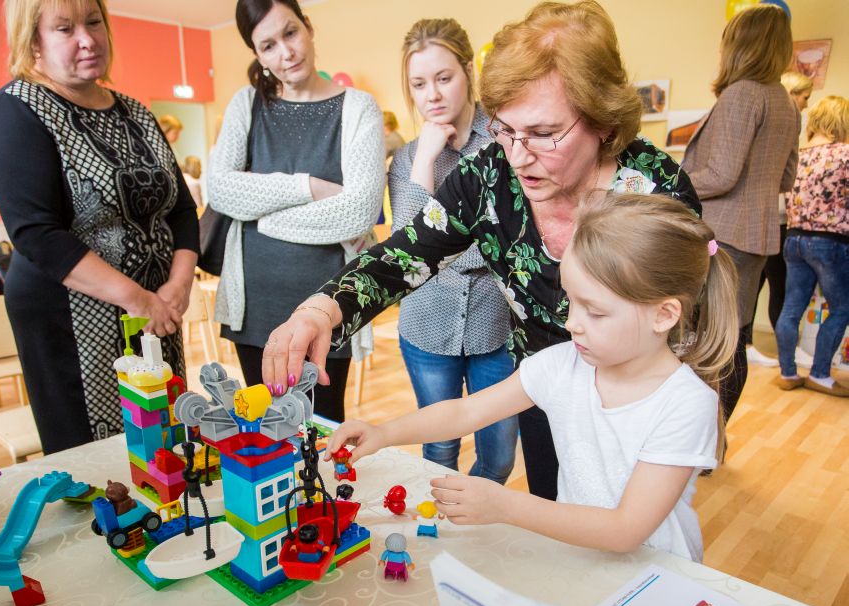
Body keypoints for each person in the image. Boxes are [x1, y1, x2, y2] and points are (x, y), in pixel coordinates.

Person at [263, 0, 700, 500]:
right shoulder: (489, 175)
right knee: (552, 505)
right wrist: (321, 310)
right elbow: (404, 254)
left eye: (543, 134)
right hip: (543, 385)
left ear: (603, 121)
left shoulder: (656, 190)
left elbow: (693, 320)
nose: (518, 156)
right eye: (506, 129)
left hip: (638, 403)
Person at [327, 194, 738, 562]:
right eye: (570, 302)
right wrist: (384, 433)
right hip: (578, 560)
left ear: (664, 315)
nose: (572, 323)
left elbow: (625, 530)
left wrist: (506, 506)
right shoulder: (562, 365)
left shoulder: (686, 404)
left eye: (595, 312)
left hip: (659, 578)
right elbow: (466, 412)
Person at [0, 0, 199, 454]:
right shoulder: (15, 111)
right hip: (71, 321)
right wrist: (139, 299)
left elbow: (179, 209)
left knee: (162, 444)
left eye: (94, 22)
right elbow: (36, 233)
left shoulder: (136, 112)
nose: (87, 39)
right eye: (65, 29)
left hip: (155, 314)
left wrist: (178, 285)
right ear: (33, 40)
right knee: (97, 460)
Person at [208, 0, 383, 422]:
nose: (285, 53)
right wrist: (309, 187)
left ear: (308, 26)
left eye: (290, 33)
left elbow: (359, 211)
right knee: (262, 427)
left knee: (321, 429)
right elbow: (221, 190)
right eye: (268, 45)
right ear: (256, 54)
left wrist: (261, 217)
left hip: (328, 304)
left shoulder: (358, 108)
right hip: (254, 305)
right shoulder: (246, 104)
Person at [388, 18, 517, 483]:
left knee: (499, 457)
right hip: (427, 325)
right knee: (439, 449)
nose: (432, 95)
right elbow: (407, 254)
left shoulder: (506, 140)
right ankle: (441, 524)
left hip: (496, 324)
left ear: (468, 71)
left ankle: (477, 517)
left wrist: (454, 254)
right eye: (419, 84)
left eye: (444, 78)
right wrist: (426, 157)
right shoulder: (407, 159)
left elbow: (511, 236)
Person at [681, 4, 798, 423]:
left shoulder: (742, 94)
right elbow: (787, 176)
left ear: (740, 45)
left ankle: (700, 435)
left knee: (707, 342)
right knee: (735, 338)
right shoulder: (785, 101)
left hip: (723, 236)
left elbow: (721, 175)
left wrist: (673, 178)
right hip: (758, 236)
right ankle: (714, 434)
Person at [773, 96, 849, 397]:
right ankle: (820, 374)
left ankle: (788, 372)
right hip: (830, 241)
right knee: (842, 307)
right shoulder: (844, 154)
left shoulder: (798, 155)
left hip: (793, 239)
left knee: (791, 309)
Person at [747, 71, 817, 369]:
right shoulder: (779, 124)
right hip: (771, 219)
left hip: (775, 220)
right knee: (766, 285)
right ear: (793, 94)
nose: (806, 103)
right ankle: (753, 344)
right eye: (805, 97)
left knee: (770, 285)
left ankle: (776, 345)